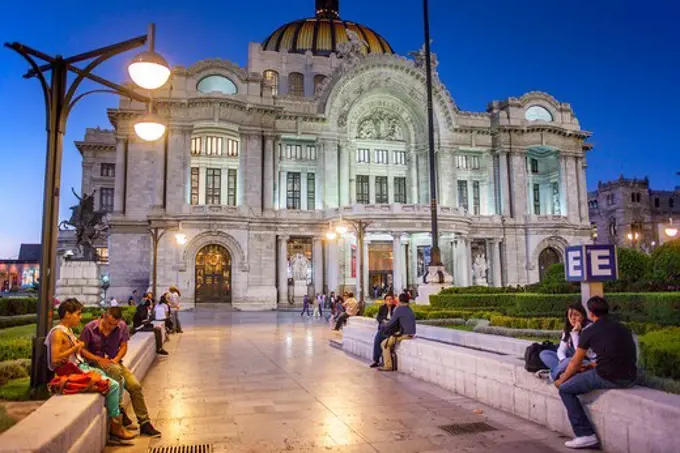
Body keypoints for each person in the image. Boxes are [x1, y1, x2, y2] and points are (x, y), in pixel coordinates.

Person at [45, 299, 135, 441]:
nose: (80, 317)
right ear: (68, 314)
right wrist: (76, 348)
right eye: (78, 314)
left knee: (119, 380)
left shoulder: (67, 331)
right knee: (113, 386)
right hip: (73, 372)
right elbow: (54, 360)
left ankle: (119, 420)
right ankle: (116, 426)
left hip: (81, 367)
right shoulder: (57, 333)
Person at [555, 296, 637, 449]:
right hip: (631, 376)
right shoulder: (623, 327)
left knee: (565, 390)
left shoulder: (590, 331)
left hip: (608, 376)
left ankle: (585, 434)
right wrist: (592, 366)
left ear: (591, 313)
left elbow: (574, 363)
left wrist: (561, 381)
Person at [80, 307, 162, 438]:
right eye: (109, 323)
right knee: (116, 372)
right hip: (95, 363)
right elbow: (82, 350)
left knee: (135, 386)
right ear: (103, 317)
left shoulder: (122, 327)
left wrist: (115, 360)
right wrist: (98, 359)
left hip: (115, 362)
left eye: (115, 325)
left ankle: (145, 423)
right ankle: (119, 417)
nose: (112, 327)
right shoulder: (89, 328)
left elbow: (124, 346)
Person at [536, 303, 595, 382]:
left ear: (583, 316)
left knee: (569, 360)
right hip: (572, 361)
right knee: (544, 354)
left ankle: (552, 375)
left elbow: (580, 352)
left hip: (587, 361)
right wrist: (562, 360)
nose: (573, 318)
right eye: (570, 315)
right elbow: (561, 349)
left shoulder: (589, 328)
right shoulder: (568, 329)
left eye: (576, 315)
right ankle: (565, 372)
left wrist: (575, 333)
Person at [372, 293, 417, 371]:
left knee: (384, 344)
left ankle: (388, 365)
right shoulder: (409, 309)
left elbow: (391, 323)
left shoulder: (399, 309)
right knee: (381, 338)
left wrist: (384, 324)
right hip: (410, 333)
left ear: (399, 300)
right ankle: (378, 360)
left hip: (404, 334)